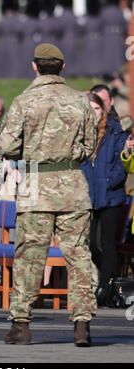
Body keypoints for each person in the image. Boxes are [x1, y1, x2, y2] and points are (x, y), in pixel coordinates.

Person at [0, 43, 97, 347]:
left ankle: (21, 324)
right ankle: (82, 323)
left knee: (29, 257)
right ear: (62, 68)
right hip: (72, 187)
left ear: (34, 66)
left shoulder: (24, 101)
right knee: (78, 256)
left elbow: (7, 146)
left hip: (36, 187)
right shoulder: (80, 101)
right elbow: (89, 146)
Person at [81, 93, 127, 307]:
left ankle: (105, 289)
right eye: (89, 108)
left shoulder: (115, 130)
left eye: (97, 109)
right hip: (88, 194)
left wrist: (110, 180)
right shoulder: (80, 132)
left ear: (103, 110)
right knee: (90, 244)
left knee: (108, 244)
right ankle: (109, 280)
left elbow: (122, 160)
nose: (93, 113)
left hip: (110, 194)